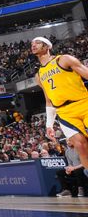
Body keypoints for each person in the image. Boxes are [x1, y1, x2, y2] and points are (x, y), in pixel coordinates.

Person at [34, 36, 88, 171]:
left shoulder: (63, 59)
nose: (33, 45)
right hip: (64, 112)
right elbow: (49, 100)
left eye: (37, 43)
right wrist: (49, 124)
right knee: (80, 147)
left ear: (47, 47)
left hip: (83, 103)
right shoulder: (39, 75)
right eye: (32, 44)